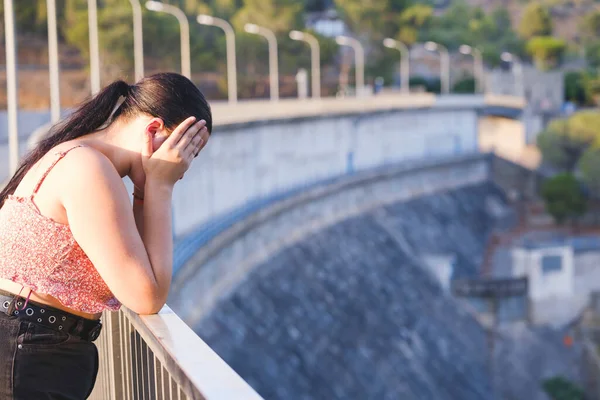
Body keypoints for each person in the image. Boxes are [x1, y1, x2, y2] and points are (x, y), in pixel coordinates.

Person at [0, 72, 212, 399]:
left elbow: (143, 266)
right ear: (154, 130)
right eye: (184, 153)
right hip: (28, 352)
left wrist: (147, 191)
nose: (182, 168)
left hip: (31, 346)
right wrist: (160, 186)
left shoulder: (79, 155)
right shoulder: (88, 168)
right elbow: (147, 296)